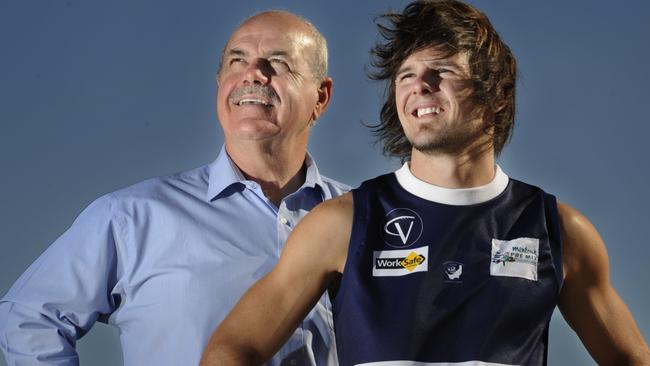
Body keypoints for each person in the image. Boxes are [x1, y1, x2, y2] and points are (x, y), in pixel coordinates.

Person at [200, 1, 650, 365]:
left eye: (443, 71)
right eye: (406, 76)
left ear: (494, 93)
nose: (421, 86)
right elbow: (233, 349)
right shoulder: (341, 223)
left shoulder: (559, 230)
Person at [0, 10, 348, 366]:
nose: (253, 74)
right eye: (236, 61)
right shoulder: (131, 217)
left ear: (320, 97)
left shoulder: (370, 219)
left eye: (277, 61)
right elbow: (29, 319)